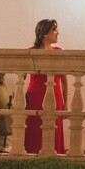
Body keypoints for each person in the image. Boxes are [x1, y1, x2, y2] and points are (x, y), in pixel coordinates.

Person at [25, 19, 66, 155]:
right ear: (44, 34)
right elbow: (21, 76)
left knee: (55, 127)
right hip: (36, 94)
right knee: (35, 126)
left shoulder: (59, 52)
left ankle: (54, 157)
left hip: (56, 95)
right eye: (54, 30)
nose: (57, 33)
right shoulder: (31, 52)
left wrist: (66, 101)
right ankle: (33, 155)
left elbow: (64, 79)